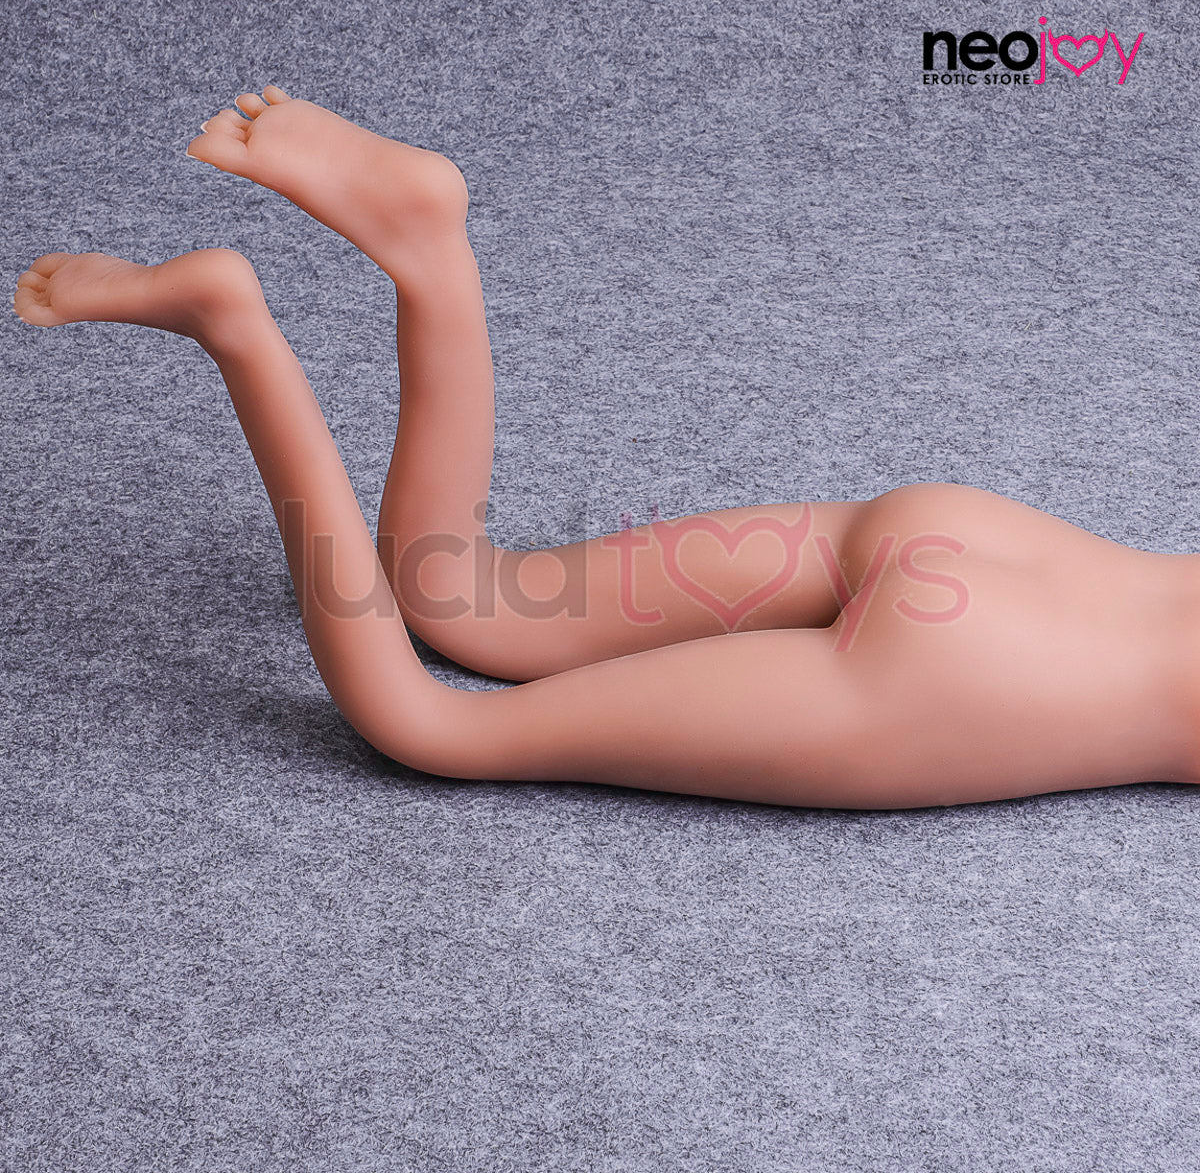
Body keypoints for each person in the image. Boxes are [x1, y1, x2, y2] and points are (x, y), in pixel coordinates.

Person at [14, 87, 1200, 810]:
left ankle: (428, 245)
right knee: (431, 724)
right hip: (980, 680)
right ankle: (234, 325)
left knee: (467, 595)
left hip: (978, 537)